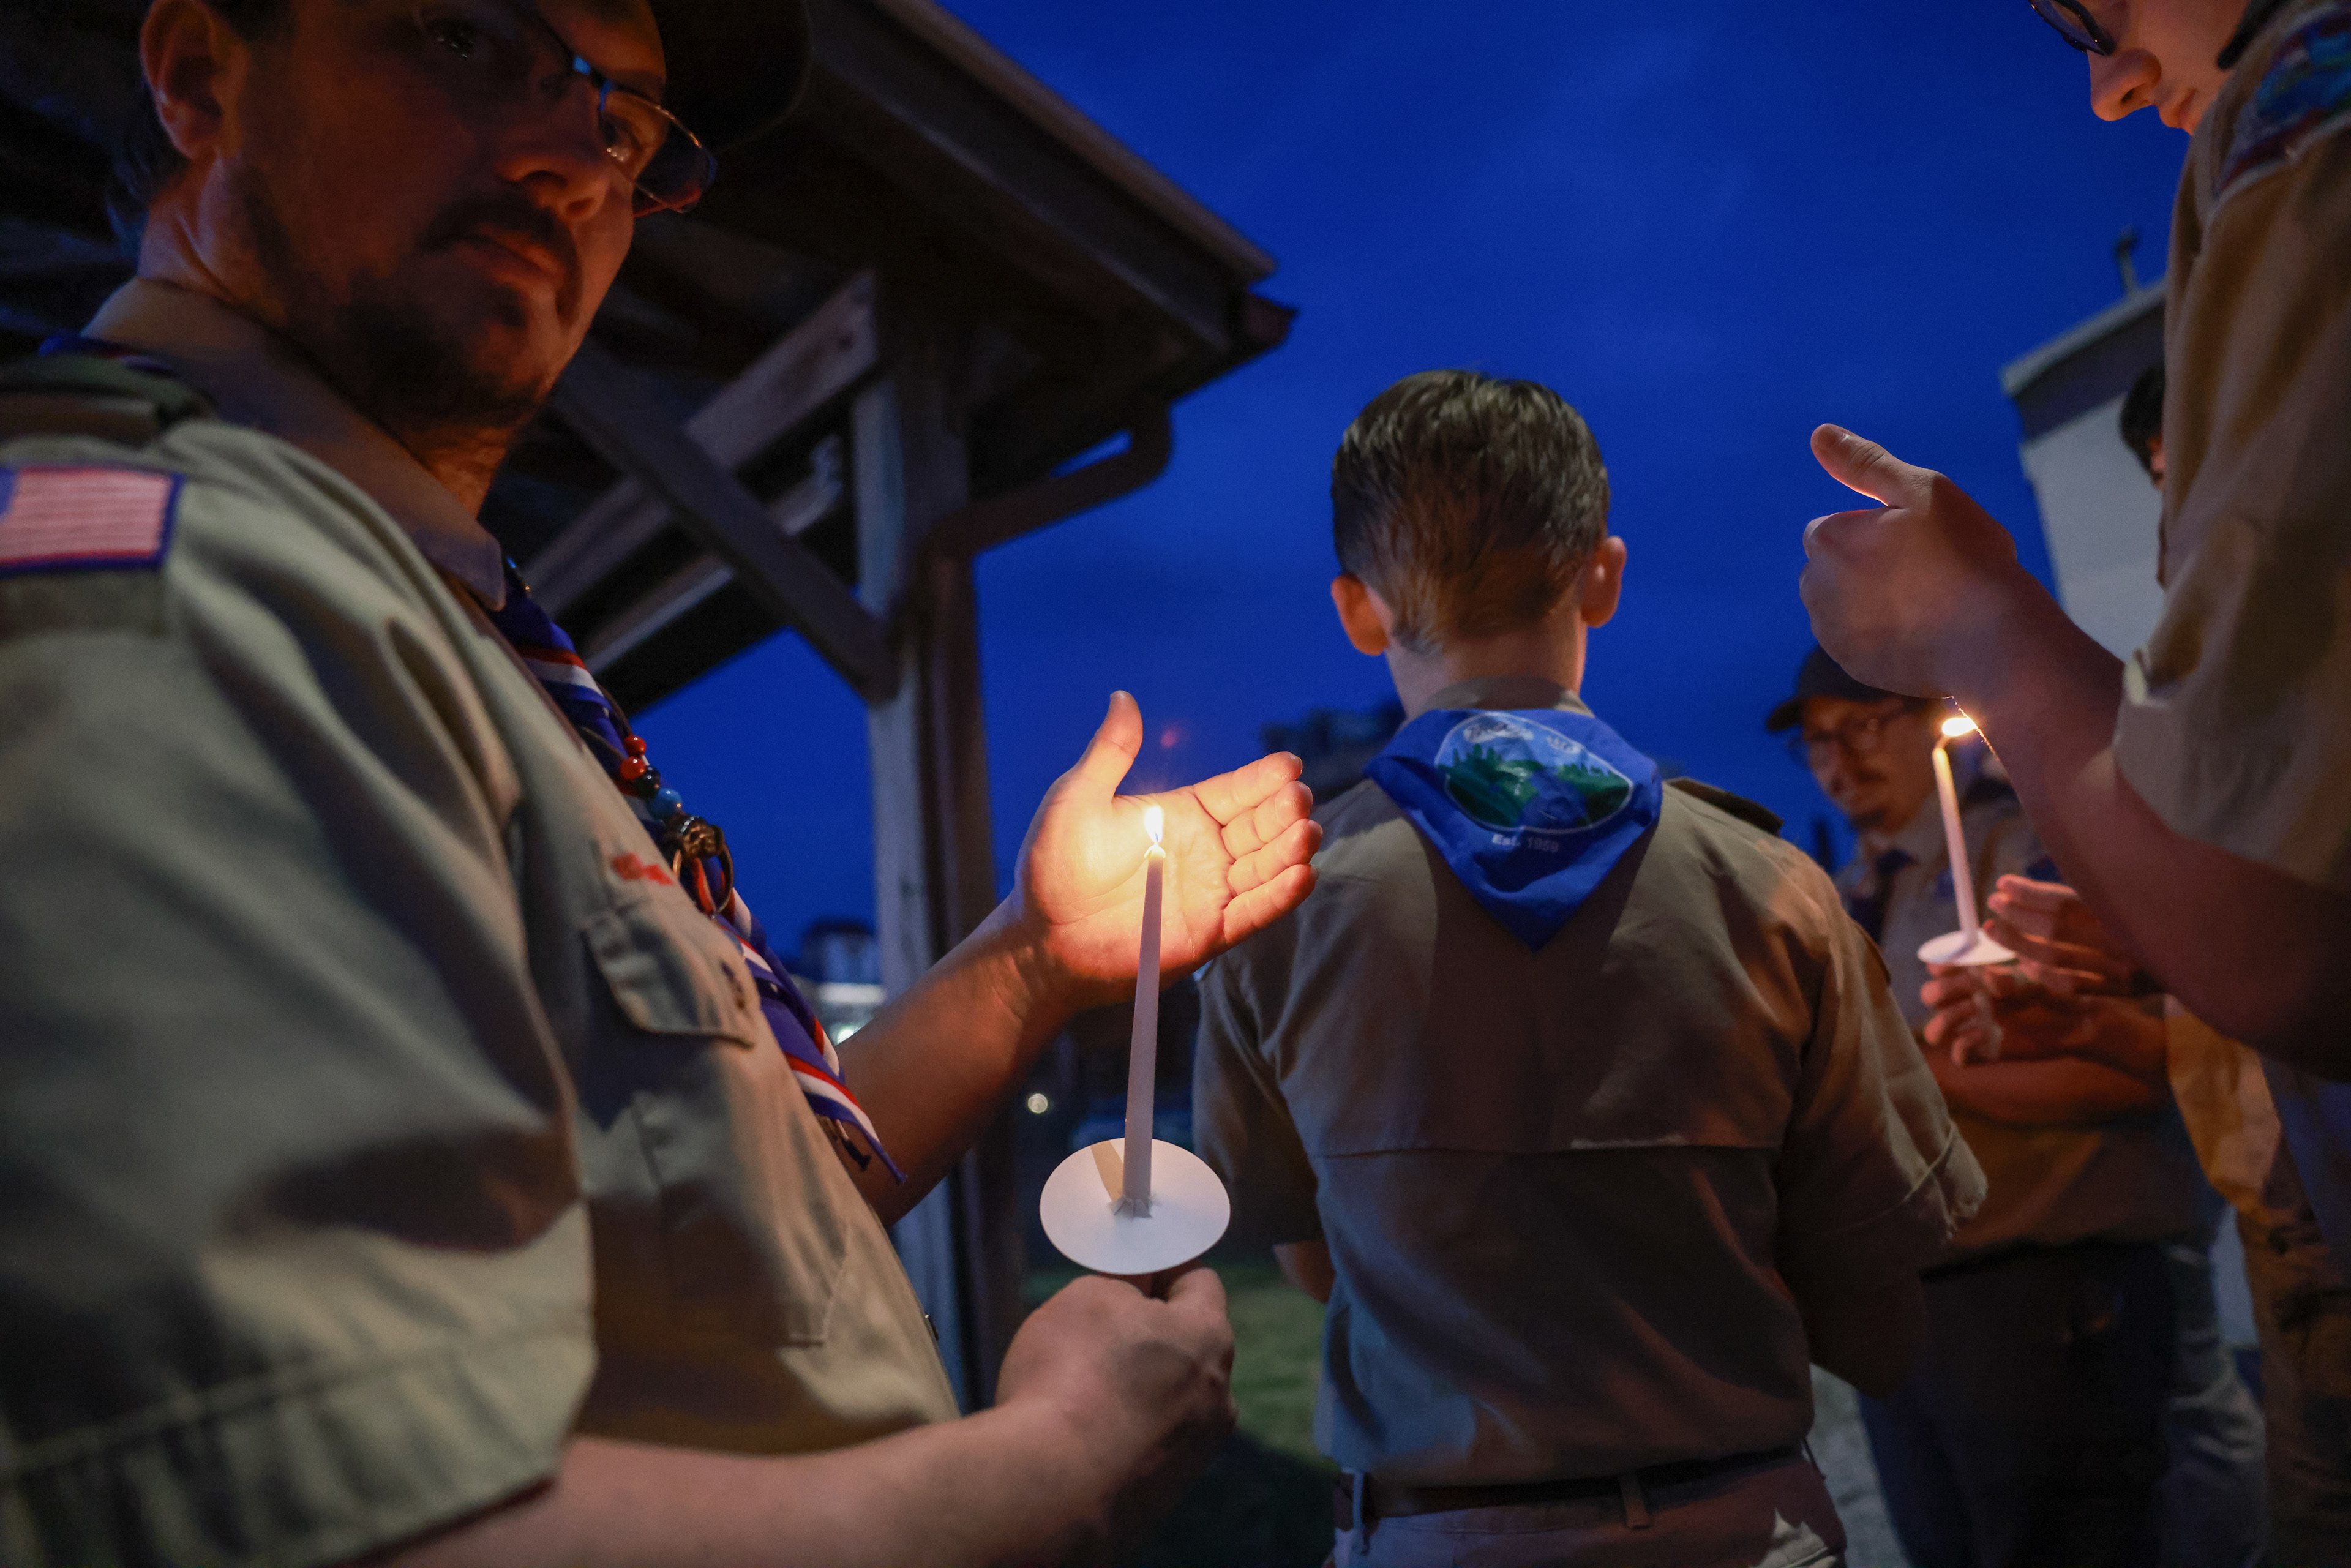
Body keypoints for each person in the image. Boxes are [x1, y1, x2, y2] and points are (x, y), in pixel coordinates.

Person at [0, 1, 1325, 1563]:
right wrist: (1071, 1454)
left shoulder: (421, 617)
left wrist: (1032, 960)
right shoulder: (159, 583)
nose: (575, 156)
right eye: (474, 40)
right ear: (201, 72)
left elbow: (732, 1215)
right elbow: (321, 1521)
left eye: (626, 122)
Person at [1191, 369, 1987, 1567]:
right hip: (1743, 1532)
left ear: (1361, 611)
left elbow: (1311, 1262)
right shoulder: (1778, 893)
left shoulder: (1276, 915)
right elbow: (1877, 1328)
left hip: (1437, 1537)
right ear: (1601, 575)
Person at [1799, 0, 2351, 1258]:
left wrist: (1977, 624)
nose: (2112, 87)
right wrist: (2153, 924)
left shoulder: (2308, 101)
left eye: (2092, 17)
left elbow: (2282, 941)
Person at [1934, 373, 2351, 1563]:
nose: (2177, 547)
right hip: (2293, 1252)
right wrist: (2123, 987)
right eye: (2167, 486)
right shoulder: (2236, 724)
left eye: (2205, 478)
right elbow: (2212, 1045)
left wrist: (1994, 623)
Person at [1769, 645, 2229, 1568]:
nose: (1838, 760)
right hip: (1917, 1299)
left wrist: (1905, 1078)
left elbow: (2150, 1068)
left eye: (1863, 726)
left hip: (2049, 1284)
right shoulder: (1853, 890)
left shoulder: (2031, 861)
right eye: (1818, 742)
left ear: (1934, 722)